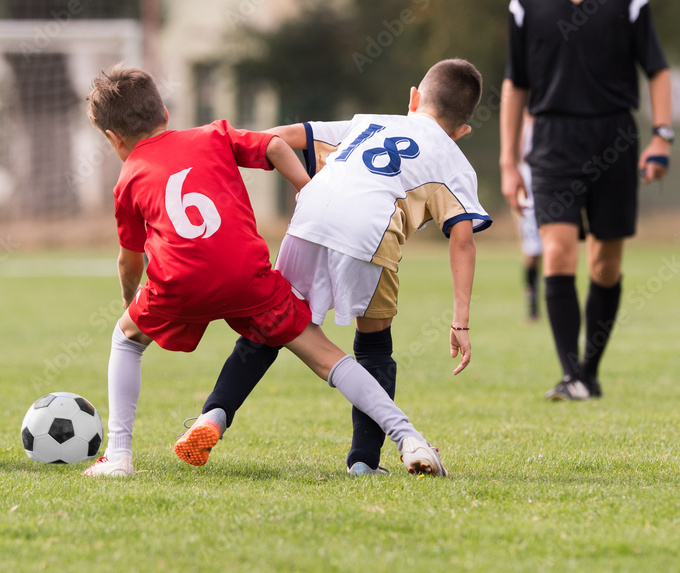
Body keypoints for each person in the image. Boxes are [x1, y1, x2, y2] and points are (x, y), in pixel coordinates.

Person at [81, 65, 447, 478]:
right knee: (328, 358)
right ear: (164, 112)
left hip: (177, 284)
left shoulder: (128, 178)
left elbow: (129, 261)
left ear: (114, 139)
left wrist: (132, 304)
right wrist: (308, 189)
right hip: (248, 277)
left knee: (126, 340)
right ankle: (408, 437)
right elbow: (274, 145)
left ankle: (119, 456)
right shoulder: (213, 134)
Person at [174, 59, 491, 476]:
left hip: (310, 217)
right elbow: (463, 241)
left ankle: (212, 416)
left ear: (413, 97)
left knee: (270, 324)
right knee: (375, 348)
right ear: (462, 131)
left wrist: (206, 158)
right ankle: (364, 463)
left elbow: (278, 137)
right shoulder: (455, 162)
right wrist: (461, 321)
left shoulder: (369, 123)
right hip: (369, 235)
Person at [499, 0, 672, 401]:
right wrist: (509, 161)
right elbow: (515, 83)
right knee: (557, 251)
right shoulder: (525, 7)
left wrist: (662, 136)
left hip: (615, 137)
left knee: (605, 263)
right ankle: (570, 374)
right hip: (551, 142)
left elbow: (658, 70)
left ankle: (588, 374)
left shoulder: (630, 5)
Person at [515, 113, 543, 321]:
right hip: (529, 189)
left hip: (554, 183)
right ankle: (533, 307)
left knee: (555, 247)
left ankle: (557, 304)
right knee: (532, 251)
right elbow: (516, 156)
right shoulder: (521, 122)